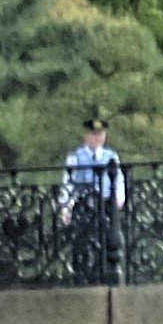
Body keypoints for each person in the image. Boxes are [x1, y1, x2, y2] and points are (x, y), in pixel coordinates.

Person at [60, 115, 122, 281]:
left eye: (100, 134)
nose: (97, 138)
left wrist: (119, 197)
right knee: (83, 241)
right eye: (94, 134)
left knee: (110, 239)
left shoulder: (111, 156)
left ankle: (108, 273)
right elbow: (68, 182)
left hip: (106, 202)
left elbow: (119, 179)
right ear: (86, 136)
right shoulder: (76, 156)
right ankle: (82, 274)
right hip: (84, 203)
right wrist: (66, 206)